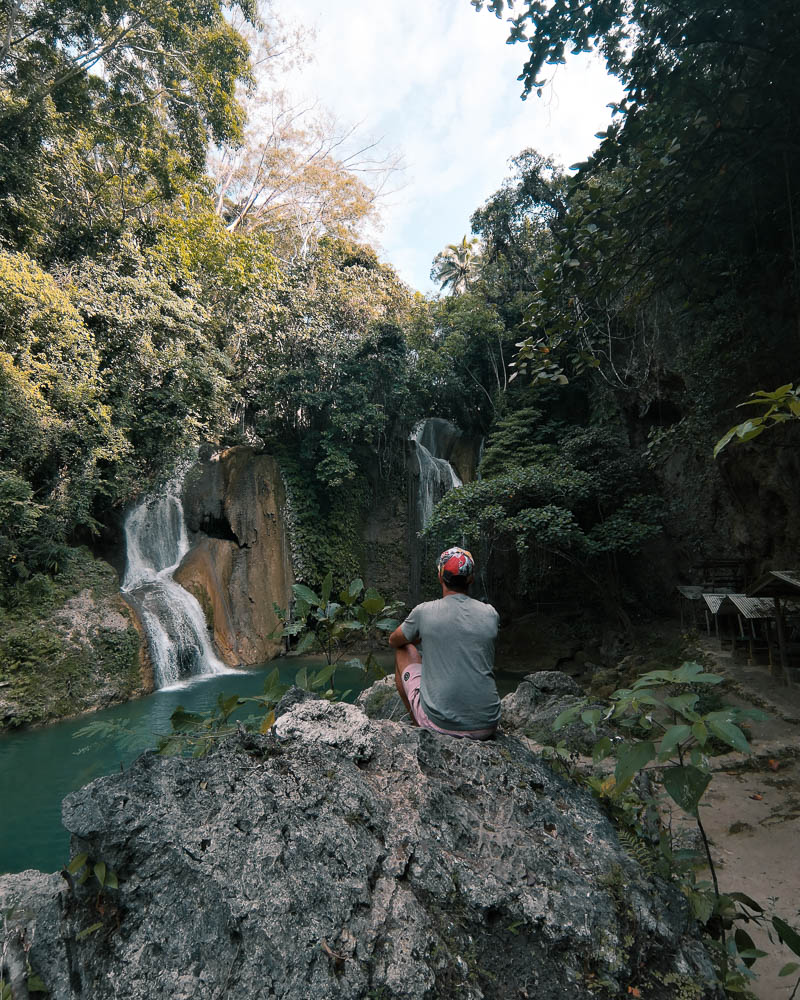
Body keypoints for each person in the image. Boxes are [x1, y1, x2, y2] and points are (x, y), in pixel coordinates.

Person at [388, 546, 500, 740]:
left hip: (442, 725)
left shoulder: (424, 612)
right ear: (471, 578)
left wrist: (422, 634)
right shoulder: (491, 613)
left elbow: (394, 640)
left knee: (403, 649)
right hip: (487, 724)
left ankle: (418, 725)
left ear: (440, 577)